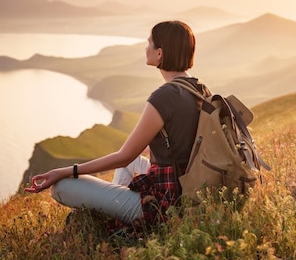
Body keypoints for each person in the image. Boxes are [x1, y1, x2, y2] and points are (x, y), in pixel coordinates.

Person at [25, 20, 208, 230]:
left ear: (160, 53)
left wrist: (67, 171)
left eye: (150, 43)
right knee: (132, 164)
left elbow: (124, 156)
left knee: (61, 187)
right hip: (188, 188)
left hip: (165, 206)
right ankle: (111, 207)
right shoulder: (199, 89)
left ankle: (113, 214)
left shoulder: (164, 96)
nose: (146, 47)